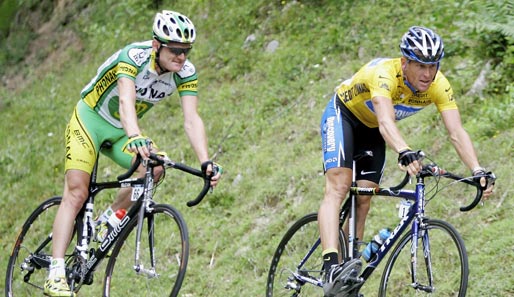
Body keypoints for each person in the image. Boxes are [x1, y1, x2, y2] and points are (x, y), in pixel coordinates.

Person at [44, 10, 221, 296]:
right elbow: (126, 101)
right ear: (156, 46)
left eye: (186, 51)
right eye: (175, 50)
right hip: (89, 121)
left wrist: (205, 160)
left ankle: (109, 221)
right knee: (77, 192)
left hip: (118, 132)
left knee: (155, 167)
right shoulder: (133, 57)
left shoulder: (185, 73)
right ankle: (55, 273)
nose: (181, 57)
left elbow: (192, 119)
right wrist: (136, 136)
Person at [319, 26, 495, 296]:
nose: (428, 73)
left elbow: (456, 132)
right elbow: (386, 121)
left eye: (433, 65)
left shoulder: (439, 85)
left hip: (371, 131)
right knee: (340, 186)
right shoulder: (384, 75)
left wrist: (477, 169)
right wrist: (404, 150)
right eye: (421, 66)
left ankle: (346, 271)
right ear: (405, 63)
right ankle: (331, 264)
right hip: (343, 115)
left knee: (364, 196)